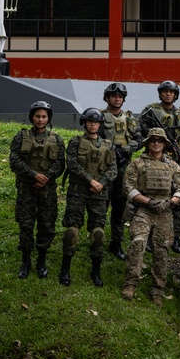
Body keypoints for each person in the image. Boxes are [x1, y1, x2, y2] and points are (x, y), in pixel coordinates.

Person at [121, 128, 180, 306]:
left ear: (165, 144)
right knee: (138, 242)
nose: (156, 143)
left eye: (159, 140)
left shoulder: (173, 166)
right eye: (153, 140)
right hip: (144, 210)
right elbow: (128, 187)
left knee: (161, 250)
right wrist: (148, 201)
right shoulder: (137, 164)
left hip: (165, 212)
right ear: (148, 143)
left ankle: (158, 289)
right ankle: (130, 283)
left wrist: (171, 202)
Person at [9, 100, 66, 280]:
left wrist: (46, 177)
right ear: (31, 117)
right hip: (27, 189)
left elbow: (60, 163)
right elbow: (14, 161)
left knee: (46, 224)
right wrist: (34, 175)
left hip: (47, 191)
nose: (40, 119)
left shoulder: (56, 139)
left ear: (48, 118)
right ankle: (26, 261)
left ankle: (41, 260)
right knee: (26, 225)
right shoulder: (21, 137)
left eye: (44, 116)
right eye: (37, 116)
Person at [60, 107, 117, 287]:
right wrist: (90, 181)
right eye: (90, 121)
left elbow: (113, 170)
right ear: (84, 122)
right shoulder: (75, 142)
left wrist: (100, 183)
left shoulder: (108, 145)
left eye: (96, 121)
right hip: (78, 190)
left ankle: (96, 272)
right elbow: (72, 164)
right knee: (72, 231)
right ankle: (65, 270)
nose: (93, 124)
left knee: (98, 233)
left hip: (99, 193)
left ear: (100, 124)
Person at [140, 80, 180, 253]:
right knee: (153, 195)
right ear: (160, 93)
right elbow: (141, 129)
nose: (168, 94)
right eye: (165, 91)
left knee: (178, 199)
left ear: (176, 94)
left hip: (177, 160)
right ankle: (149, 238)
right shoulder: (151, 110)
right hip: (156, 158)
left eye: (171, 92)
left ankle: (176, 238)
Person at [99, 82, 143, 261]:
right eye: (114, 96)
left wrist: (126, 150)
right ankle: (97, 241)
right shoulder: (99, 117)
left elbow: (140, 138)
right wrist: (110, 150)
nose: (117, 99)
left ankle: (116, 244)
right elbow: (93, 137)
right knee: (101, 207)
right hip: (103, 167)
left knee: (120, 207)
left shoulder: (130, 118)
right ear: (107, 98)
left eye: (120, 96)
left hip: (124, 167)